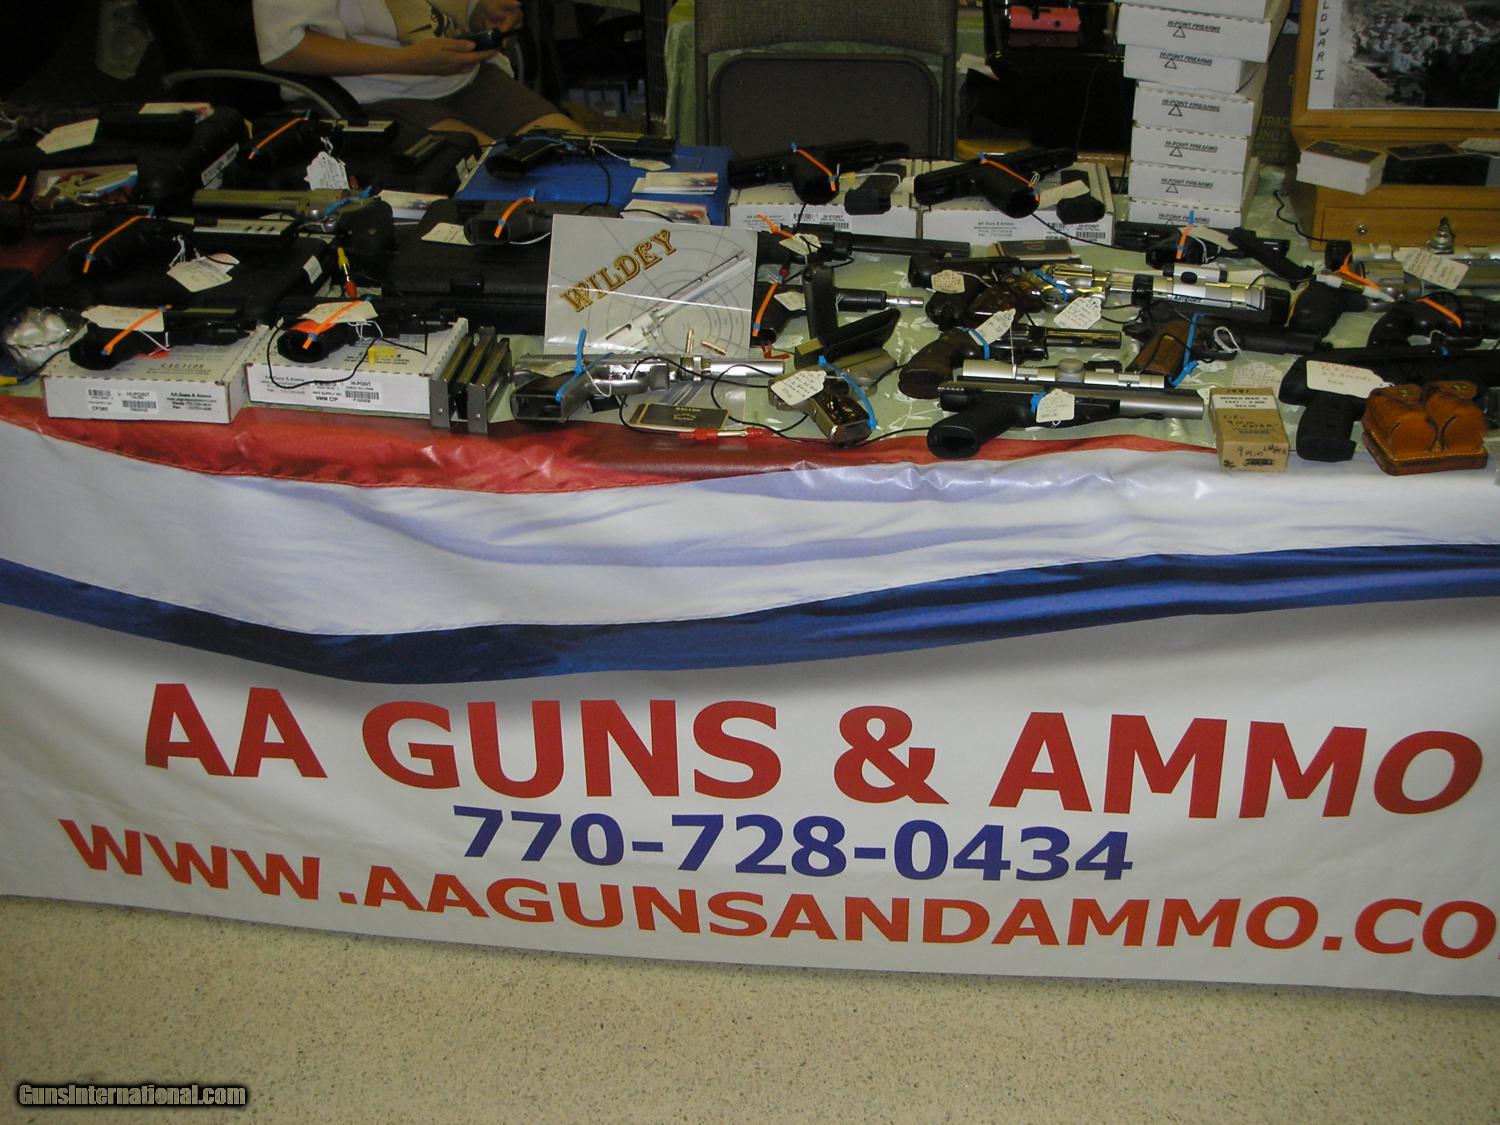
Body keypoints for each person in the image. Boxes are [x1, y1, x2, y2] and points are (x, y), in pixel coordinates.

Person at [252, 0, 581, 143]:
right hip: (366, 94)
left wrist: (482, 11)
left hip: (461, 74)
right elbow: (285, 49)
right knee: (502, 187)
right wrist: (407, 61)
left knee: (586, 168)